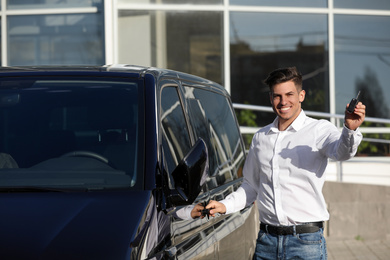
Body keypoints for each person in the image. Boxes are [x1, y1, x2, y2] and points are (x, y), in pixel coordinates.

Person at [194, 67, 366, 259]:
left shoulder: (319, 129)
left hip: (305, 243)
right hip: (266, 241)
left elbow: (342, 152)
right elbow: (250, 186)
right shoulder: (260, 137)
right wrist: (225, 205)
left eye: (289, 94)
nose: (283, 102)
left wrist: (349, 130)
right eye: (277, 96)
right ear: (270, 99)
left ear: (301, 95)